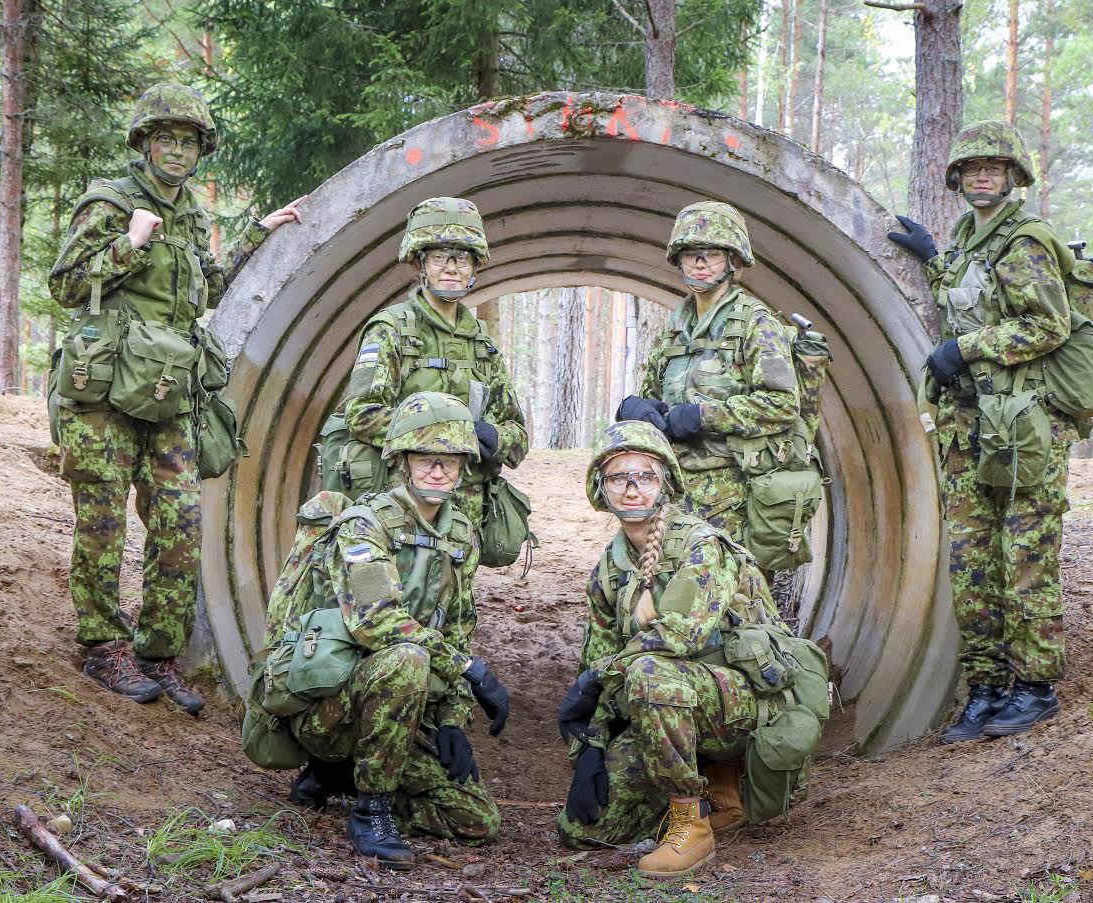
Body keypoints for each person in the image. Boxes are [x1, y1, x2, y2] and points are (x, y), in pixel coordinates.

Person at [48, 83, 305, 712]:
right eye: (165, 138)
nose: (176, 151)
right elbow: (65, 285)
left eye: (188, 142)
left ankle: (157, 653)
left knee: (182, 522)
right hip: (105, 391)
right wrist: (127, 243)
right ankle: (101, 643)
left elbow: (212, 287)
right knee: (103, 522)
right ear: (143, 142)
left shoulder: (191, 215)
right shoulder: (109, 203)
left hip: (168, 392)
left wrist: (257, 234)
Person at [889, 120, 1074, 741]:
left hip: (1023, 425)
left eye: (993, 167)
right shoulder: (972, 240)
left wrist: (964, 350)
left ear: (1015, 175)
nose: (981, 176)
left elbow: (1047, 326)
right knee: (971, 560)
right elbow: (971, 298)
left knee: (1023, 553)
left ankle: (1036, 687)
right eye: (971, 169)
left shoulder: (1026, 241)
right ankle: (988, 687)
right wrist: (938, 259)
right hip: (970, 424)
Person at [287, 392, 510, 868]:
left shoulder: (460, 536)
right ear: (401, 461)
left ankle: (345, 775)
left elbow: (457, 626)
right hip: (331, 704)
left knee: (477, 821)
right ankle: (371, 811)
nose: (437, 471)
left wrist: (451, 716)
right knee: (407, 658)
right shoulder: (365, 527)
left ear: (463, 468)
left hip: (395, 708)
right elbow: (377, 621)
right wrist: (469, 670)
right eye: (425, 459)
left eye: (449, 461)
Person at [554, 421, 767, 878]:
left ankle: (694, 821)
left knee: (650, 671)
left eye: (645, 476)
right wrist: (591, 747)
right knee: (586, 828)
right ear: (601, 489)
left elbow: (678, 637)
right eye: (618, 478)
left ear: (665, 483)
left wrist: (599, 678)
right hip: (670, 705)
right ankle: (718, 797)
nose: (632, 489)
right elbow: (597, 662)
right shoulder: (609, 573)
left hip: (739, 709)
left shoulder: (701, 545)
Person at [616, 202, 818, 608]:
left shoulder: (755, 322)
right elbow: (655, 389)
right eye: (692, 254)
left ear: (733, 259)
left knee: (733, 603)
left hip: (734, 492)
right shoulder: (676, 326)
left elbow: (782, 404)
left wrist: (706, 416)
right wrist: (641, 409)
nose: (701, 263)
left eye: (712, 253)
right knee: (670, 595)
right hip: (674, 489)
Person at [331, 197, 527, 531]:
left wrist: (493, 437)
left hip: (462, 516)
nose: (451, 267)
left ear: (474, 266)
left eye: (462, 257)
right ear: (420, 263)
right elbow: (362, 414)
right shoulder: (391, 330)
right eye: (439, 257)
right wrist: (448, 435)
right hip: (397, 508)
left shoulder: (482, 345)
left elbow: (517, 435)